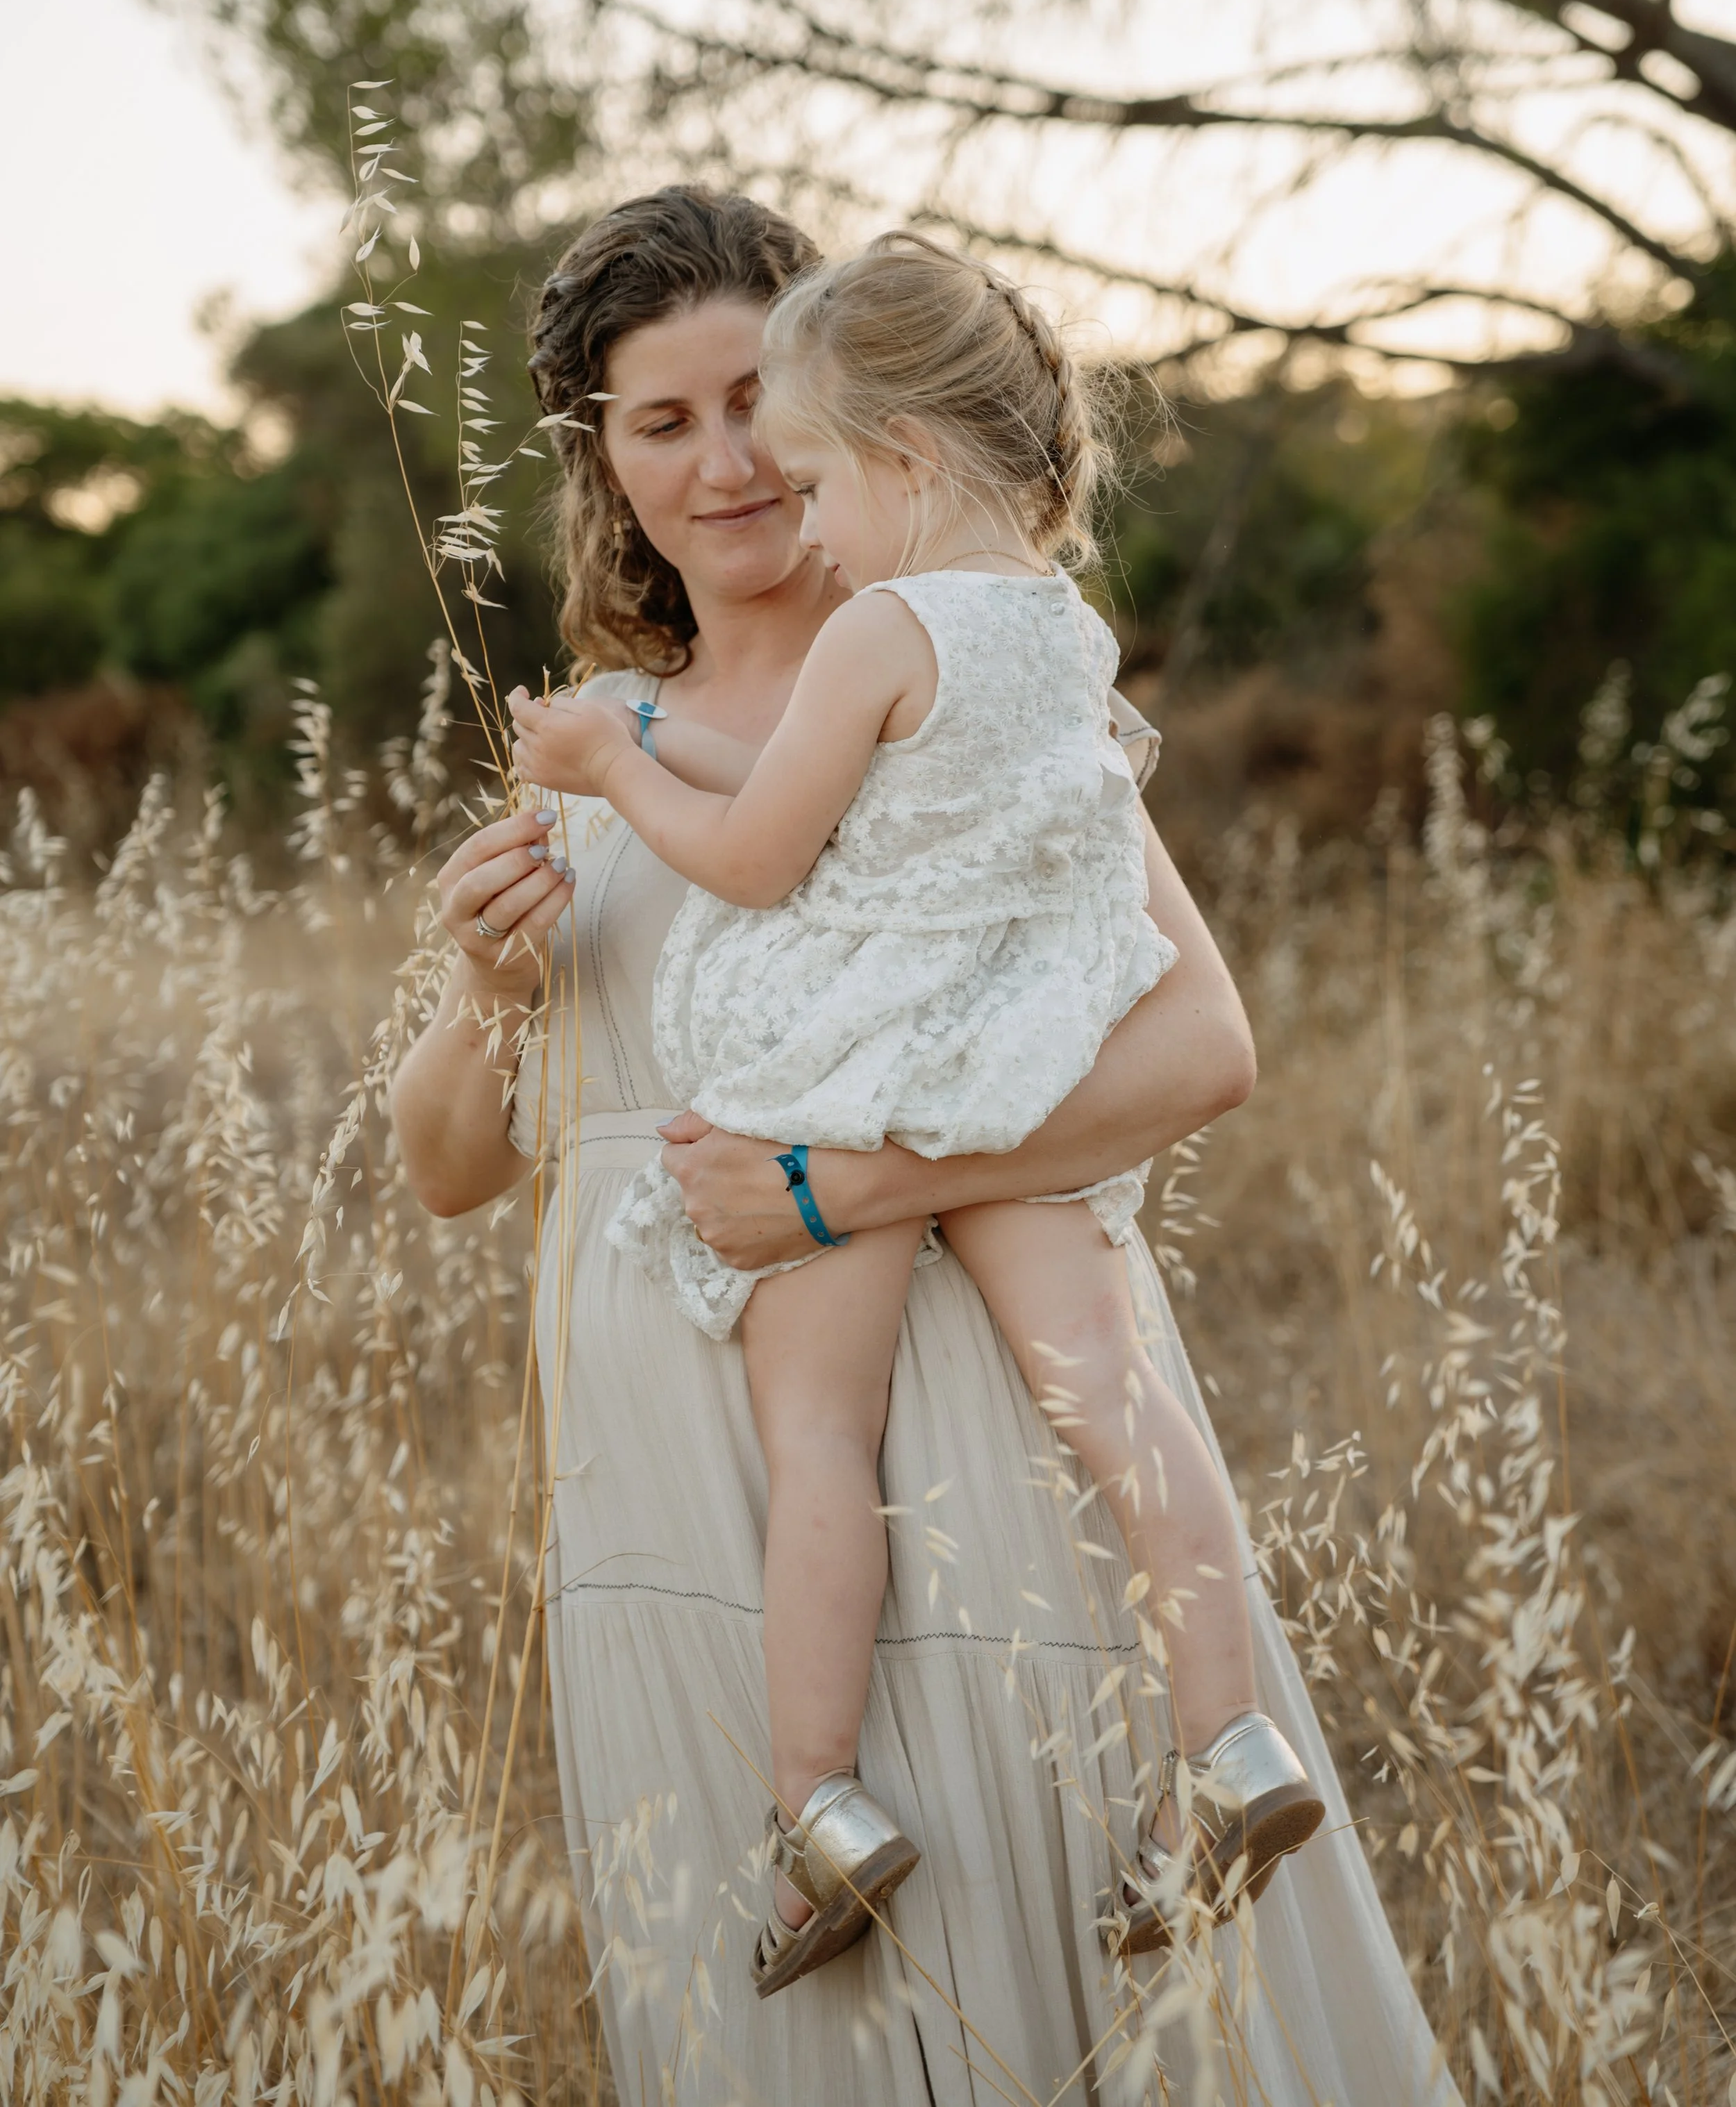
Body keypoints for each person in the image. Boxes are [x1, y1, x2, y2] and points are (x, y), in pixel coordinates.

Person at [391, 185, 1458, 2105]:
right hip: (664, 1469)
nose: (724, 464)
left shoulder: (960, 686)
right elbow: (454, 1163)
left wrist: (854, 1184)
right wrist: (489, 982)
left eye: (750, 402)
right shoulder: (597, 737)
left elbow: (1199, 1039)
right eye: (661, 422)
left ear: (852, 413)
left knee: (1026, 1971)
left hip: (952, 1422)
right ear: (603, 466)